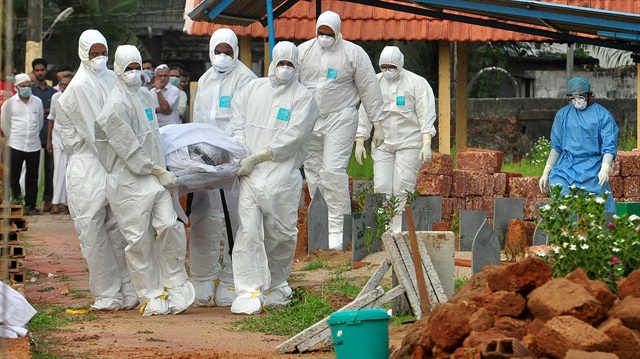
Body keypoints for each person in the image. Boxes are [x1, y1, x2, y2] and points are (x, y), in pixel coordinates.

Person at [94, 45, 195, 316]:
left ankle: (174, 283)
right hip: (128, 182)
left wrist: (163, 168)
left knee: (168, 227)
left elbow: (153, 136)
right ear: (118, 69)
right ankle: (149, 294)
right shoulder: (114, 105)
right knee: (138, 240)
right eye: (129, 68)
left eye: (138, 67)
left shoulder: (144, 96)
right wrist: (155, 170)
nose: (135, 73)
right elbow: (128, 148)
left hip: (154, 178)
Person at [227, 41, 319, 314]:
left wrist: (259, 156)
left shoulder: (304, 98)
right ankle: (248, 289)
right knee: (248, 233)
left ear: (297, 67)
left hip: (281, 176)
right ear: (272, 63)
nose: (285, 69)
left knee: (282, 234)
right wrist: (242, 151)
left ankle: (277, 284)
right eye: (281, 63)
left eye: (290, 64)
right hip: (250, 175)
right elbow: (237, 121)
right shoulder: (254, 89)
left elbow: (294, 137)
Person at [56, 29, 137, 310]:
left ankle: (127, 290)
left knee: (117, 228)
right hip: (89, 165)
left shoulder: (111, 79)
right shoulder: (80, 87)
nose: (100, 58)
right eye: (94, 53)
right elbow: (96, 133)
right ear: (83, 53)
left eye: (103, 52)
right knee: (92, 229)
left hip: (113, 161)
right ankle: (106, 293)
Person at [298, 10, 385, 250]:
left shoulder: (353, 53)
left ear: (337, 32)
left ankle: (339, 230)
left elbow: (369, 87)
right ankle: (321, 225)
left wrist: (377, 123)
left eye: (328, 33)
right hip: (310, 119)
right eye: (320, 33)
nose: (324, 37)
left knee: (332, 171)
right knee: (313, 172)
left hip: (341, 116)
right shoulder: (303, 52)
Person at [190, 28, 257, 307]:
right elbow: (197, 121)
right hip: (206, 163)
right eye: (218, 52)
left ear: (236, 52)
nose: (222, 57)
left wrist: (231, 153)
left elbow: (247, 122)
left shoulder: (248, 80)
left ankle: (231, 280)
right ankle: (203, 279)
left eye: (228, 52)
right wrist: (199, 154)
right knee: (204, 217)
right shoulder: (204, 80)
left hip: (234, 161)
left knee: (237, 219)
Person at [355, 46, 437, 232]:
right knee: (382, 186)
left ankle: (398, 229)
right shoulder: (375, 82)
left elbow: (426, 112)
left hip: (409, 143)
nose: (387, 71)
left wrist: (426, 142)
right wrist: (360, 139)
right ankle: (384, 226)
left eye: (391, 66)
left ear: (400, 64)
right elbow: (366, 111)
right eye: (384, 67)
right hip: (382, 142)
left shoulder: (416, 83)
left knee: (402, 187)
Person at [539, 77, 619, 213]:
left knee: (599, 214)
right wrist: (546, 171)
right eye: (572, 98)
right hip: (565, 169)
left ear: (588, 95)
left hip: (592, 171)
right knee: (562, 210)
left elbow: (609, 145)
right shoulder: (563, 115)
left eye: (580, 97)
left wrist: (605, 168)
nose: (577, 102)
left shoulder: (602, 116)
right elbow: (556, 146)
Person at [0, 74, 43, 215]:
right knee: (13, 176)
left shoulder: (37, 102)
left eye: (28, 86)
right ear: (17, 87)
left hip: (33, 145)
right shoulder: (10, 103)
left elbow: (40, 122)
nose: (26, 89)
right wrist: (11, 137)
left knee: (32, 177)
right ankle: (17, 203)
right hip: (15, 144)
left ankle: (31, 206)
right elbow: (5, 124)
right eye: (23, 86)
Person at [31, 58, 57, 213]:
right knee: (33, 171)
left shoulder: (53, 93)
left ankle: (48, 200)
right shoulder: (30, 91)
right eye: (37, 70)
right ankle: (30, 202)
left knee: (50, 169)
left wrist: (44, 112)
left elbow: (54, 113)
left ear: (46, 71)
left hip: (49, 136)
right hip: (33, 136)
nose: (40, 73)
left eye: (42, 70)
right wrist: (46, 111)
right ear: (34, 72)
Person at [46, 73, 73, 214]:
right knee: (58, 171)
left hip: (73, 140)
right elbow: (51, 118)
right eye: (62, 84)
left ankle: (69, 203)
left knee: (71, 172)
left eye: (67, 84)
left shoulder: (77, 98)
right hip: (57, 138)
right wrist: (48, 140)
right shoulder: (56, 97)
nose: (64, 87)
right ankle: (56, 202)